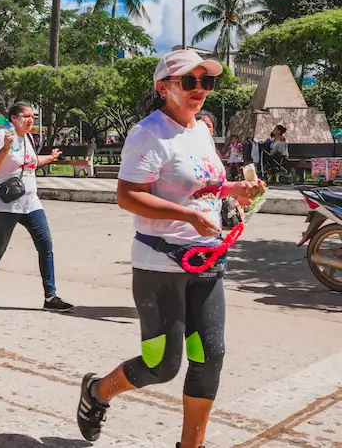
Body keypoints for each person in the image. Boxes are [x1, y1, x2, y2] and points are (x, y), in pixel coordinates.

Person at [75, 49, 264, 448]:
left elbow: (202, 184)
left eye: (206, 82)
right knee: (162, 365)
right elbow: (128, 196)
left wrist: (233, 190)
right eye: (189, 81)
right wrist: (188, 216)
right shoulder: (148, 133)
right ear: (164, 88)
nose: (200, 89)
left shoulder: (199, 130)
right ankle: (96, 392)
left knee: (209, 357)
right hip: (160, 264)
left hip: (208, 261)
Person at [0, 102, 74, 311]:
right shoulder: (2, 136)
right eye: (26, 116)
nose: (31, 120)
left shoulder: (27, 138)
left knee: (46, 245)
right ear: (14, 118)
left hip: (31, 202)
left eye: (32, 117)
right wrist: (5, 149)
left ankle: (50, 297)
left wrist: (51, 157)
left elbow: (31, 162)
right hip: (6, 204)